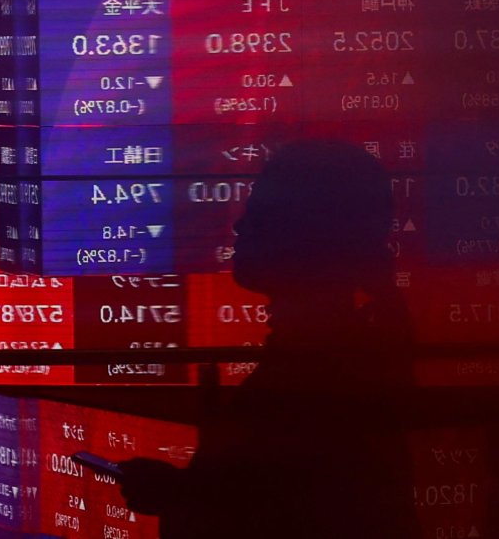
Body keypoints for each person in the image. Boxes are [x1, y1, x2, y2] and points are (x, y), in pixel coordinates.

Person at [116, 139, 418, 538]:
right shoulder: (356, 354)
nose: (240, 224)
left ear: (312, 234)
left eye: (261, 214)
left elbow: (278, 513)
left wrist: (181, 493)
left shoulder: (314, 374)